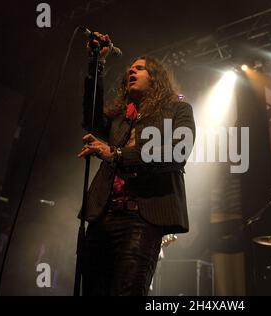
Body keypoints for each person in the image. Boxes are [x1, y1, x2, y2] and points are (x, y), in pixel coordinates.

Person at [77, 32, 196, 296]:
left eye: (140, 68)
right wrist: (97, 63)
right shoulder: (120, 117)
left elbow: (178, 152)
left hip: (141, 218)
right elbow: (91, 118)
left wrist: (117, 155)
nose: (132, 71)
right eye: (130, 69)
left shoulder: (178, 110)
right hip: (102, 215)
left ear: (155, 78)